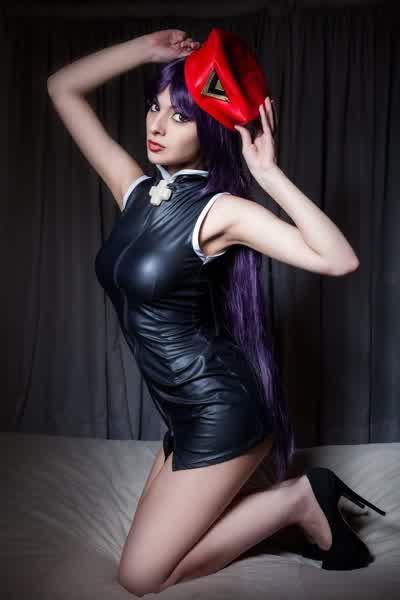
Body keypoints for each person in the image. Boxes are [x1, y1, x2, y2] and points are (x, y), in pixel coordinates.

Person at [47, 27, 386, 595]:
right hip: (181, 416)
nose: (157, 125)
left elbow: (339, 259)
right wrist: (147, 50)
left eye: (179, 115)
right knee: (152, 554)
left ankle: (300, 500)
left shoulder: (220, 211)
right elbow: (62, 88)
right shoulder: (135, 193)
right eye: (154, 107)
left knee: (140, 576)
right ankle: (293, 500)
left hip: (222, 412)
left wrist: (269, 174)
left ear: (210, 127)